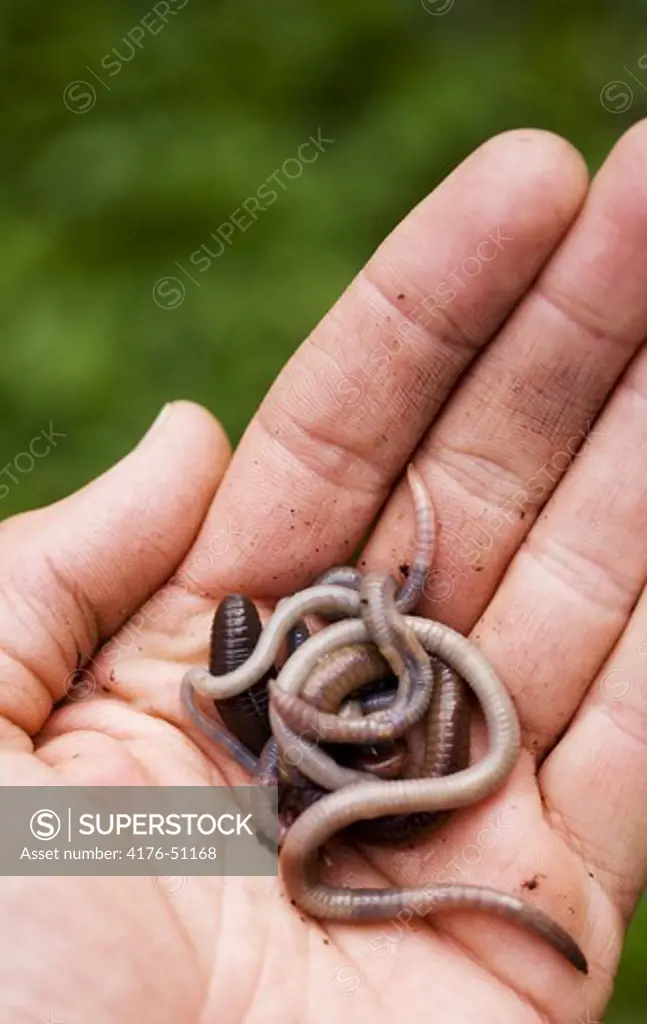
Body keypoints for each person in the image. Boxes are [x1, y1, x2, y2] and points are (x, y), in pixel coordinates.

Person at [2, 122, 645, 1023]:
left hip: (342, 727)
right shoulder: (296, 703)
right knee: (391, 689)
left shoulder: (312, 687)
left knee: (398, 687)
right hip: (327, 751)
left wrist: (43, 842)